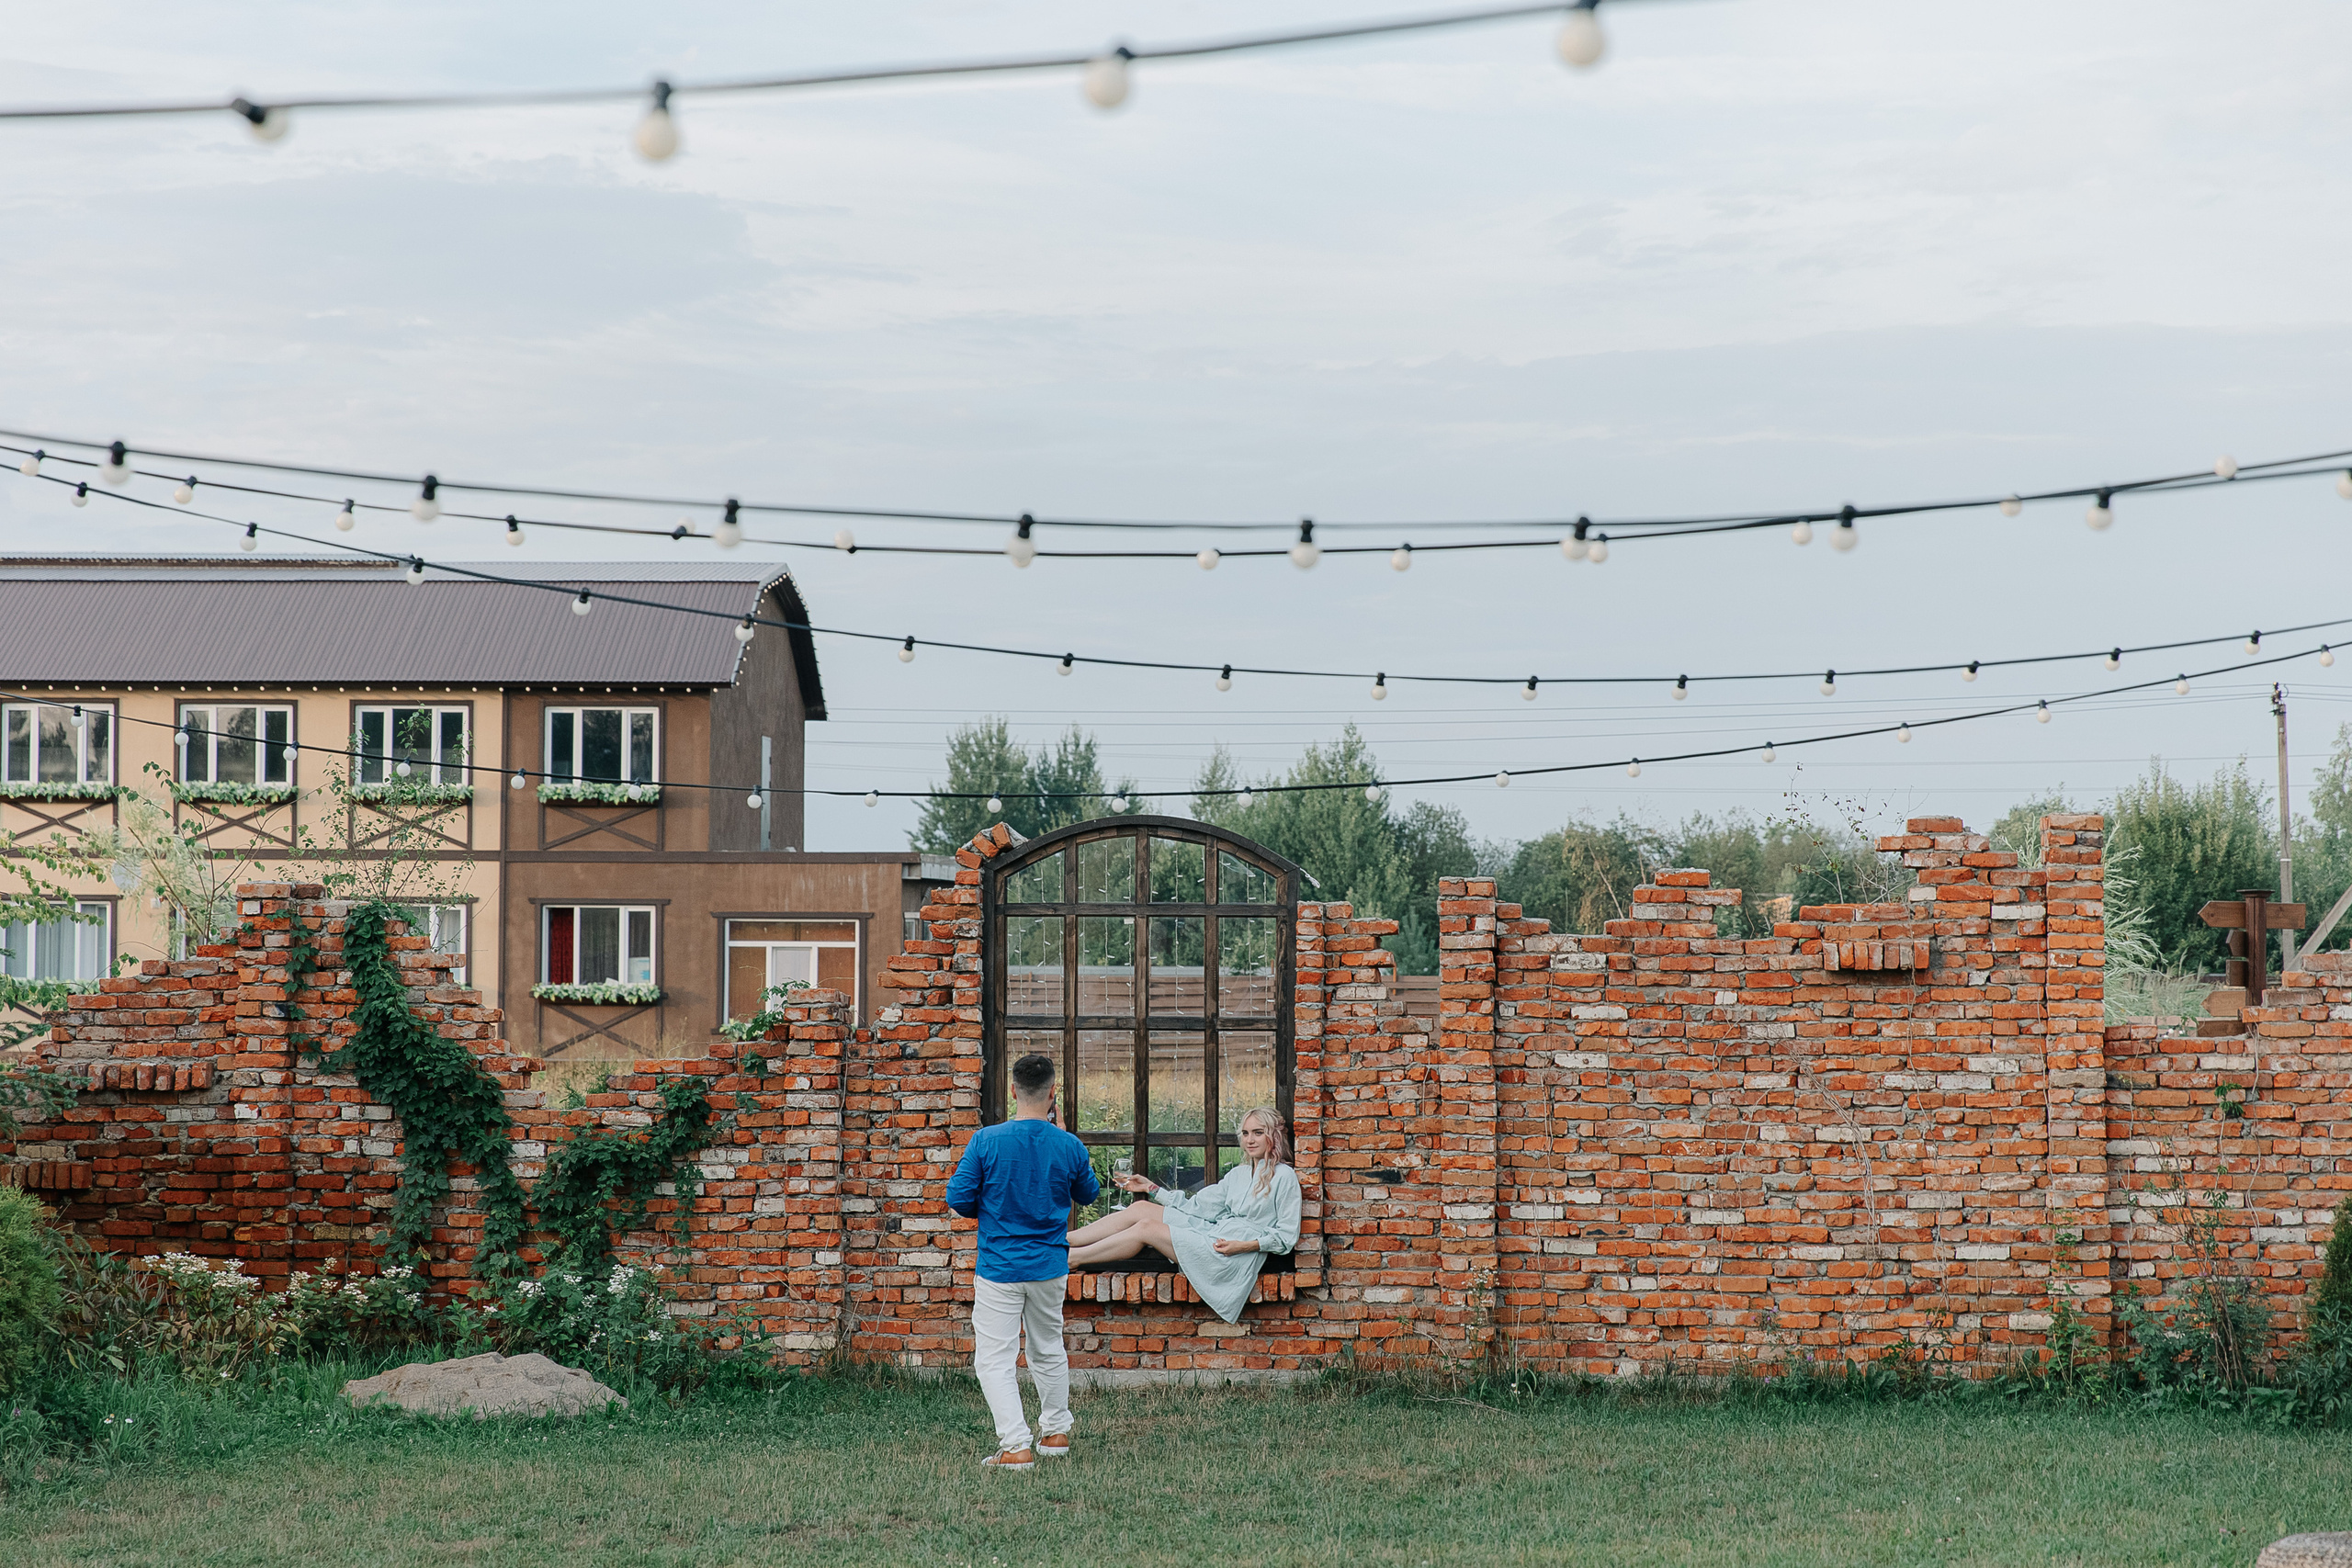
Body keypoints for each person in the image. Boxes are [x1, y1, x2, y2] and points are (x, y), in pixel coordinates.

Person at [944, 1051, 1100, 1472]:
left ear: (1012, 1090)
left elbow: (957, 1198)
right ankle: (1055, 1433)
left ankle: (1015, 1445)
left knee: (994, 1357)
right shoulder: (1067, 1144)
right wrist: (1067, 1140)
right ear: (1054, 1094)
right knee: (1048, 1348)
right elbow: (1089, 1194)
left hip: (1000, 1266)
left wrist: (994, 1206)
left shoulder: (986, 1140)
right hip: (1049, 1266)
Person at [1065, 1108, 1301, 1324]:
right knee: (1141, 1209)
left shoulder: (1284, 1176)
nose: (1249, 1140)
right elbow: (1196, 1206)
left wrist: (1243, 1246)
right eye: (1246, 1133)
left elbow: (1286, 1237)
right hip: (1215, 1233)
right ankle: (1065, 1240)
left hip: (1231, 1254)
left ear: (1273, 1136)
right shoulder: (1238, 1174)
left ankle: (1073, 1258)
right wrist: (1152, 1189)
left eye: (1258, 1133)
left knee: (1146, 1227)